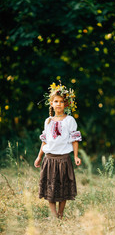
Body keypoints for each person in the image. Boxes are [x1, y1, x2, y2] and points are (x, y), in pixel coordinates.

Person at [34, 82, 82, 219]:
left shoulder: (70, 120)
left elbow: (74, 139)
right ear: (51, 104)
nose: (59, 104)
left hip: (63, 160)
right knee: (50, 188)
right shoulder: (48, 121)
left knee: (63, 188)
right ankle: (54, 216)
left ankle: (60, 214)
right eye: (56, 101)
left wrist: (76, 156)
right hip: (49, 159)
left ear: (66, 104)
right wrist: (39, 156)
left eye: (61, 102)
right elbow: (45, 141)